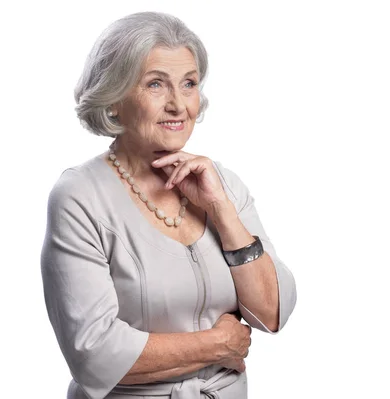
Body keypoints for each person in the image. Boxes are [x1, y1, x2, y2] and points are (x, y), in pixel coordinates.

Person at [40, 11, 297, 399]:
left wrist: (222, 211)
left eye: (189, 83)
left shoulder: (221, 182)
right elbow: (92, 352)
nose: (179, 104)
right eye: (156, 84)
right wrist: (216, 345)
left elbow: (272, 314)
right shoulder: (80, 196)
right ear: (115, 97)